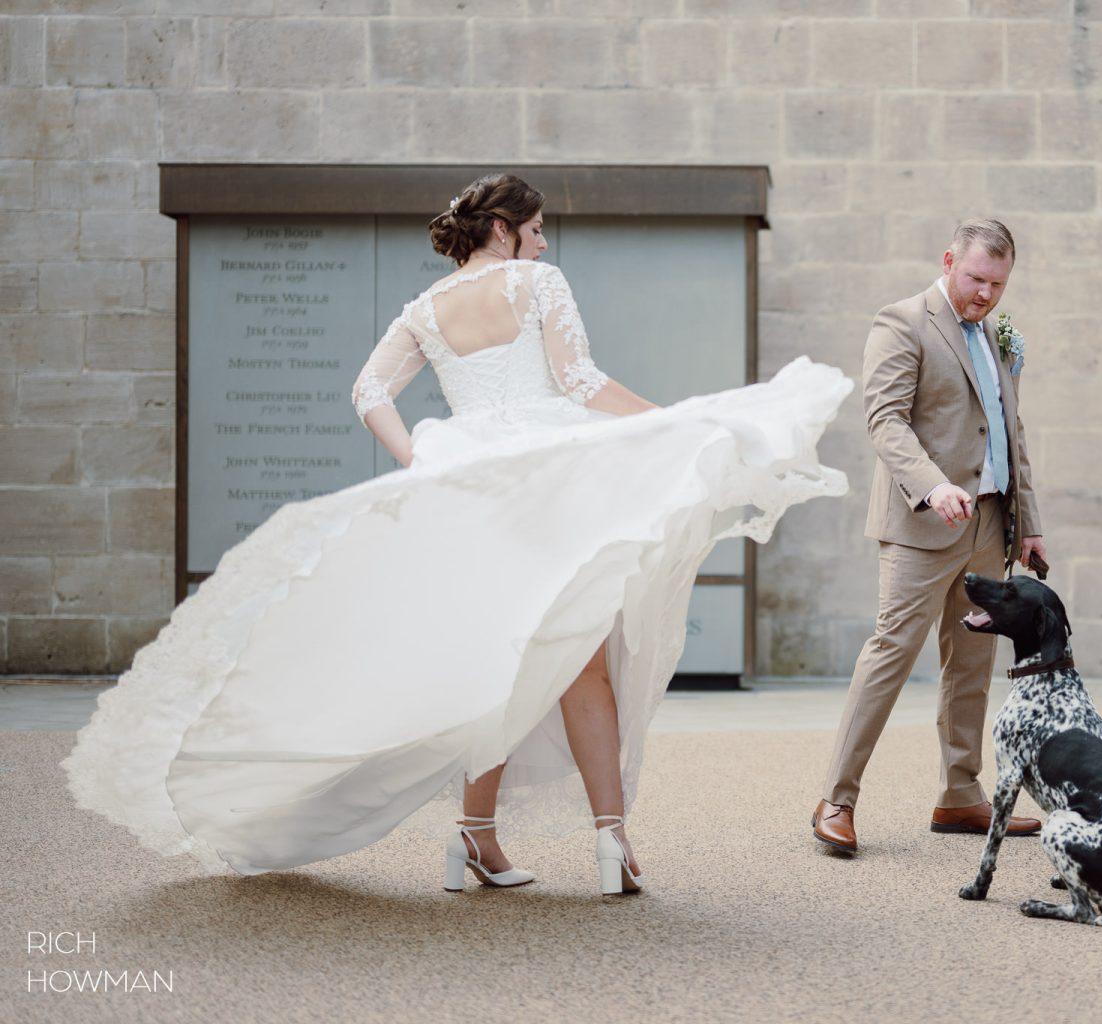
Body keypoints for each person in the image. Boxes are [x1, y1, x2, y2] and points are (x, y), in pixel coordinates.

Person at [64, 173, 851, 895]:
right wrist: (677, 421)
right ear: (505, 229)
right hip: (545, 480)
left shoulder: (424, 309)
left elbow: (368, 389)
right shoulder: (537, 282)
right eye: (537, 228)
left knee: (497, 665)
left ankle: (476, 837)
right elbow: (578, 382)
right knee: (580, 664)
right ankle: (609, 842)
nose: (544, 244)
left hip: (472, 487)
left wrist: (419, 462)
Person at [812, 219, 1047, 854]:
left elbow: (1009, 431)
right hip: (922, 523)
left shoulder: (998, 334)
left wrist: (1029, 524)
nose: (986, 295)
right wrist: (931, 484)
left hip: (991, 525)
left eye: (998, 284)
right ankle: (837, 798)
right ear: (948, 261)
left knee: (972, 665)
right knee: (890, 653)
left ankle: (960, 797)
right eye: (975, 279)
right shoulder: (902, 321)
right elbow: (884, 419)